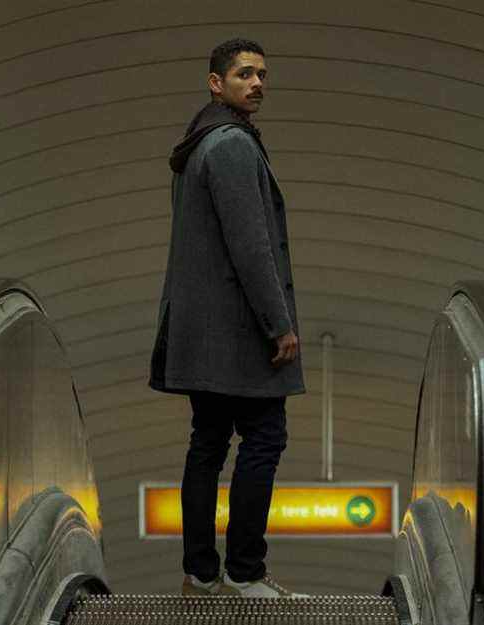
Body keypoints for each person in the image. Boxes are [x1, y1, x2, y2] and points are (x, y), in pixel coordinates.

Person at [148, 37, 305, 598]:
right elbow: (251, 245)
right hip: (239, 334)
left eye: (263, 74)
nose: (257, 83)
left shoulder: (196, 147)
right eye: (244, 74)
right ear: (216, 83)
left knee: (208, 443)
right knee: (265, 437)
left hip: (200, 333)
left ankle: (199, 571)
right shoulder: (233, 146)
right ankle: (244, 572)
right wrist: (279, 324)